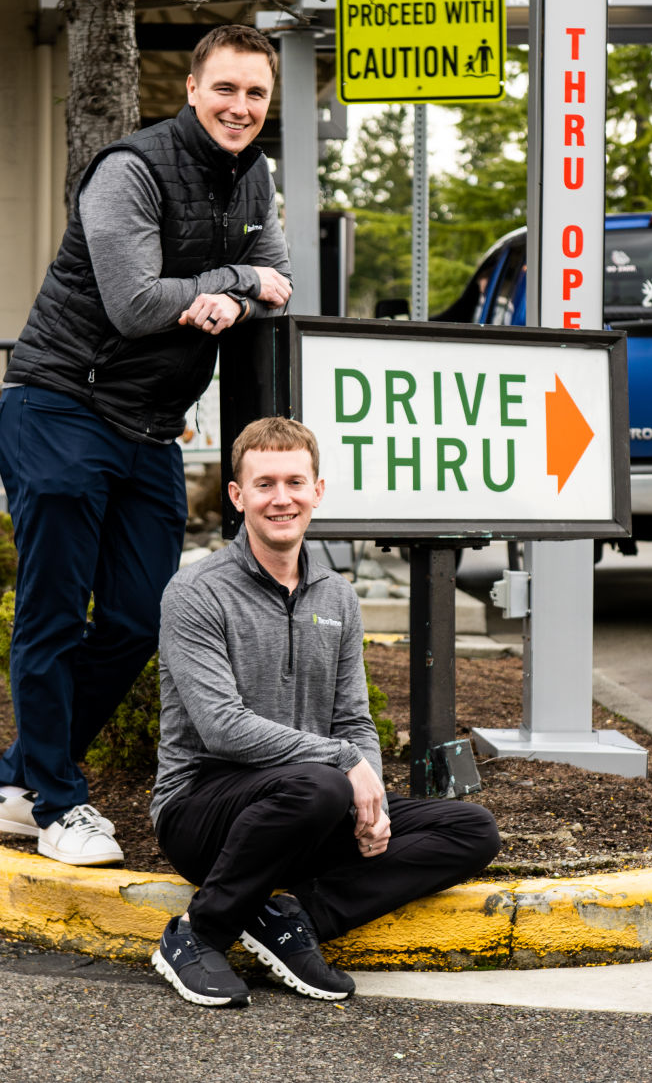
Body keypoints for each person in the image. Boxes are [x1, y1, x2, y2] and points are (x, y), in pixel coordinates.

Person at [0, 26, 292, 866]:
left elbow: (280, 278)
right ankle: (55, 801)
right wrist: (231, 284)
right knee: (53, 612)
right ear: (192, 89)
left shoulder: (254, 178)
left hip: (148, 426)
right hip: (58, 408)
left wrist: (244, 293)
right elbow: (135, 303)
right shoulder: (131, 169)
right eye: (226, 89)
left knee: (137, 615)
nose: (240, 106)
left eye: (256, 94)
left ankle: (15, 780)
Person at [149, 417, 500, 1007]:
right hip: (204, 810)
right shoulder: (196, 592)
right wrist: (344, 765)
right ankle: (197, 935)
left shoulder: (336, 595)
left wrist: (374, 802)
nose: (281, 498)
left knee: (470, 829)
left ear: (317, 490)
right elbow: (220, 726)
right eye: (264, 485)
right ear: (237, 497)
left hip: (308, 807)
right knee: (320, 786)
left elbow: (353, 720)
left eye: (294, 482)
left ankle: (291, 918)